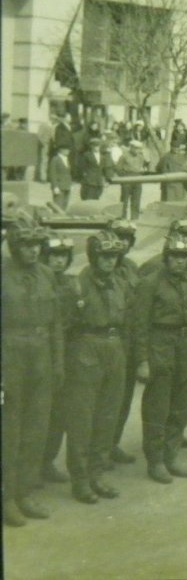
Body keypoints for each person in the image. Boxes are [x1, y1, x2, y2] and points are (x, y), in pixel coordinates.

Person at [2, 216, 63, 526]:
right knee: (9, 430)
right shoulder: (2, 276)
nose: (33, 251)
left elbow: (55, 326)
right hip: (10, 356)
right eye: (25, 245)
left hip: (40, 355)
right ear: (14, 247)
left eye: (37, 244)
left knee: (36, 427)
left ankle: (25, 492)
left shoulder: (48, 275)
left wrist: (57, 363)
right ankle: (7, 497)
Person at [133, 234, 187, 483]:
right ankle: (155, 461)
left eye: (184, 256)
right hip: (160, 344)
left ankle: (171, 456)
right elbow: (139, 324)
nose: (179, 261)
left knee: (182, 404)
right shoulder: (151, 283)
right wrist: (142, 360)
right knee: (158, 405)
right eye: (175, 256)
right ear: (166, 257)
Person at [64, 231, 129, 504]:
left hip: (114, 348)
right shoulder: (77, 285)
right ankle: (80, 480)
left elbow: (128, 319)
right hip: (86, 348)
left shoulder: (120, 284)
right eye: (104, 256)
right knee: (82, 418)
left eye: (113, 256)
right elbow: (66, 326)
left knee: (107, 416)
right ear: (93, 256)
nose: (109, 261)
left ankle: (97, 474)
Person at [39, 236, 77, 486]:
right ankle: (28, 467)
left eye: (63, 256)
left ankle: (47, 462)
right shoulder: (38, 283)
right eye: (53, 255)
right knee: (36, 414)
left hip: (67, 355)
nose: (59, 260)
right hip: (40, 354)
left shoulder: (72, 285)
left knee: (59, 414)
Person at [106, 219, 143, 465]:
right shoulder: (103, 266)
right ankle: (98, 449)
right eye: (119, 238)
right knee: (105, 400)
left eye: (128, 239)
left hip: (129, 341)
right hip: (110, 340)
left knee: (123, 398)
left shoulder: (131, 267)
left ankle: (112, 444)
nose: (124, 243)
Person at [115, 139, 149, 220]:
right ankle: (123, 217)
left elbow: (143, 167)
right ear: (131, 147)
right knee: (124, 201)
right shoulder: (124, 156)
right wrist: (124, 177)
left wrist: (143, 171)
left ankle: (135, 218)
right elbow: (118, 169)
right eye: (136, 148)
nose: (137, 150)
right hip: (127, 179)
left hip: (138, 179)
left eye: (139, 148)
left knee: (136, 200)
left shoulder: (141, 157)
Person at [48, 143, 73, 211]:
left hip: (67, 186)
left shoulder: (67, 159)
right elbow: (52, 174)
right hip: (59, 186)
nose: (68, 151)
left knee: (65, 205)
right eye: (67, 150)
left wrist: (70, 184)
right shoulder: (55, 159)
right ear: (61, 150)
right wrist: (55, 186)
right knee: (58, 206)